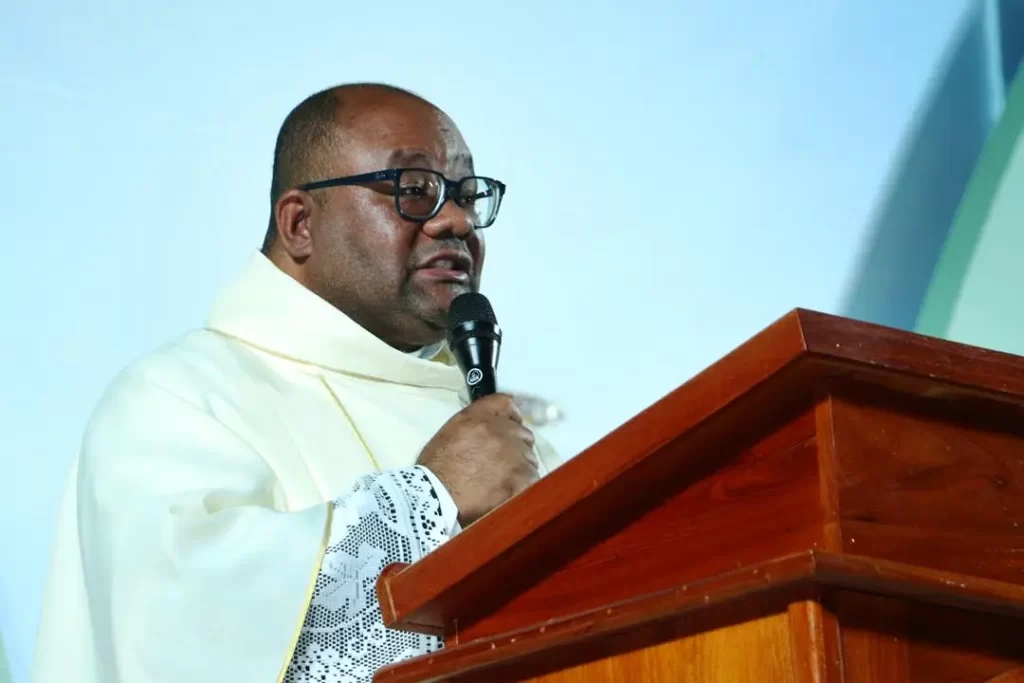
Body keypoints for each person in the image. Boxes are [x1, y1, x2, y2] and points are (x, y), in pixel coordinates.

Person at [32, 83, 560, 683]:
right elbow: (190, 635)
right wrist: (427, 500)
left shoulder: (488, 418)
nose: (458, 220)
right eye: (415, 191)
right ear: (300, 224)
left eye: (468, 195)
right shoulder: (175, 398)